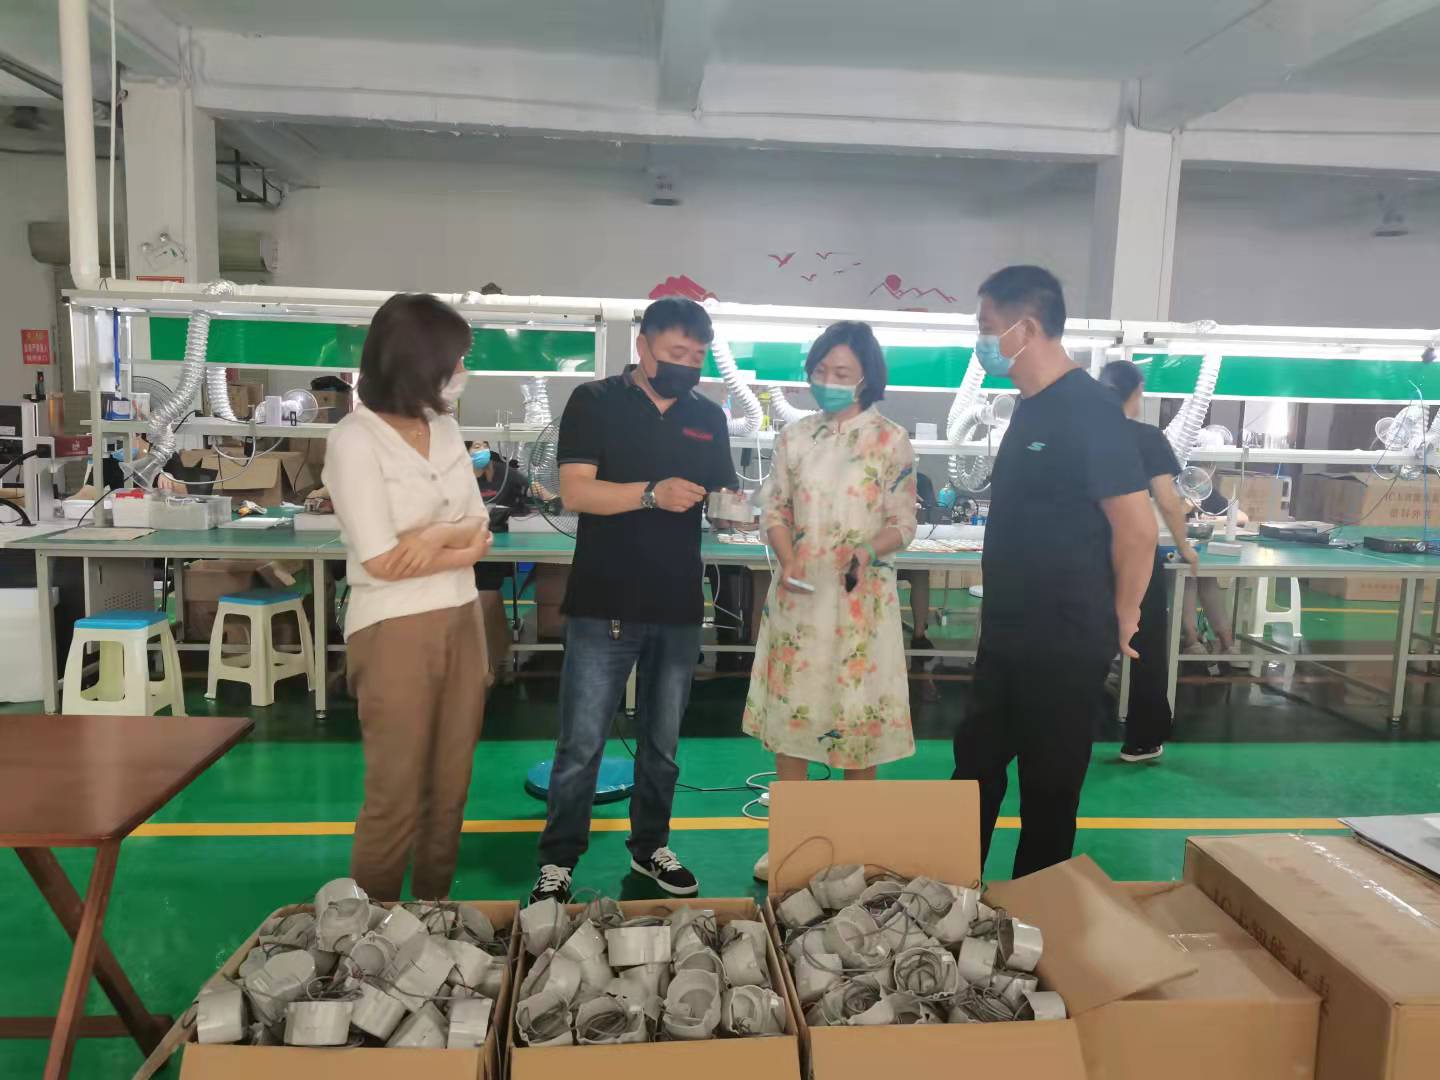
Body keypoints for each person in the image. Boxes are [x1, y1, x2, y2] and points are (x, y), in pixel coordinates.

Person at [530, 297, 741, 904]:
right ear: (643, 347)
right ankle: (559, 860)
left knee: (663, 746)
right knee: (581, 744)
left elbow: (722, 495)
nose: (687, 365)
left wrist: (739, 513)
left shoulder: (707, 416)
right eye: (676, 353)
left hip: (677, 602)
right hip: (605, 599)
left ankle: (650, 847)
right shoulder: (594, 402)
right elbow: (576, 493)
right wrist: (652, 493)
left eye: (697, 357)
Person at [951, 267, 1156, 878]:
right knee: (974, 772)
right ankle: (951, 901)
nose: (981, 340)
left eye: (987, 326)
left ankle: (1034, 912)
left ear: (1027, 327)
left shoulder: (1089, 409)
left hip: (1065, 638)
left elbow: (1137, 529)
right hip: (1007, 633)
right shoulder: (1030, 406)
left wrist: (1125, 615)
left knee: (1048, 787)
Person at [322, 293, 493, 901]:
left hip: (462, 618)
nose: (462, 371)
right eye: (456, 359)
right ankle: (371, 930)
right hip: (393, 628)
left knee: (450, 786)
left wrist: (433, 539)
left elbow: (479, 529)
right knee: (395, 793)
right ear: (420, 363)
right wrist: (456, 545)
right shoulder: (354, 440)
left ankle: (433, 915)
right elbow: (381, 561)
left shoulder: (443, 428)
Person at [744, 322, 918, 880]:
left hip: (861, 604)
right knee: (793, 721)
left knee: (856, 722)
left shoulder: (890, 440)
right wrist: (787, 555)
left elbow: (904, 523)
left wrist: (868, 550)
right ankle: (791, 843)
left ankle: (851, 849)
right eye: (820, 371)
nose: (828, 381)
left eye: (841, 372)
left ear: (867, 377)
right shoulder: (795, 438)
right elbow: (775, 509)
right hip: (799, 602)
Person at [1098, 360, 1197, 763]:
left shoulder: (1082, 434)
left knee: (1080, 640)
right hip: (1136, 553)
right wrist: (1185, 546)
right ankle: (1143, 738)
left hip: (1084, 552)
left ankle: (1061, 731)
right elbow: (1168, 501)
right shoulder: (1147, 438)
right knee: (1146, 643)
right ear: (1136, 392)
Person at [471, 440, 530, 685]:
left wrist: (552, 498)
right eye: (474, 447)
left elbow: (532, 489)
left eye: (482, 445)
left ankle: (489, 661)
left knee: (486, 587)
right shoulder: (457, 475)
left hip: (498, 544)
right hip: (466, 543)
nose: (479, 451)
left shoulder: (505, 474)